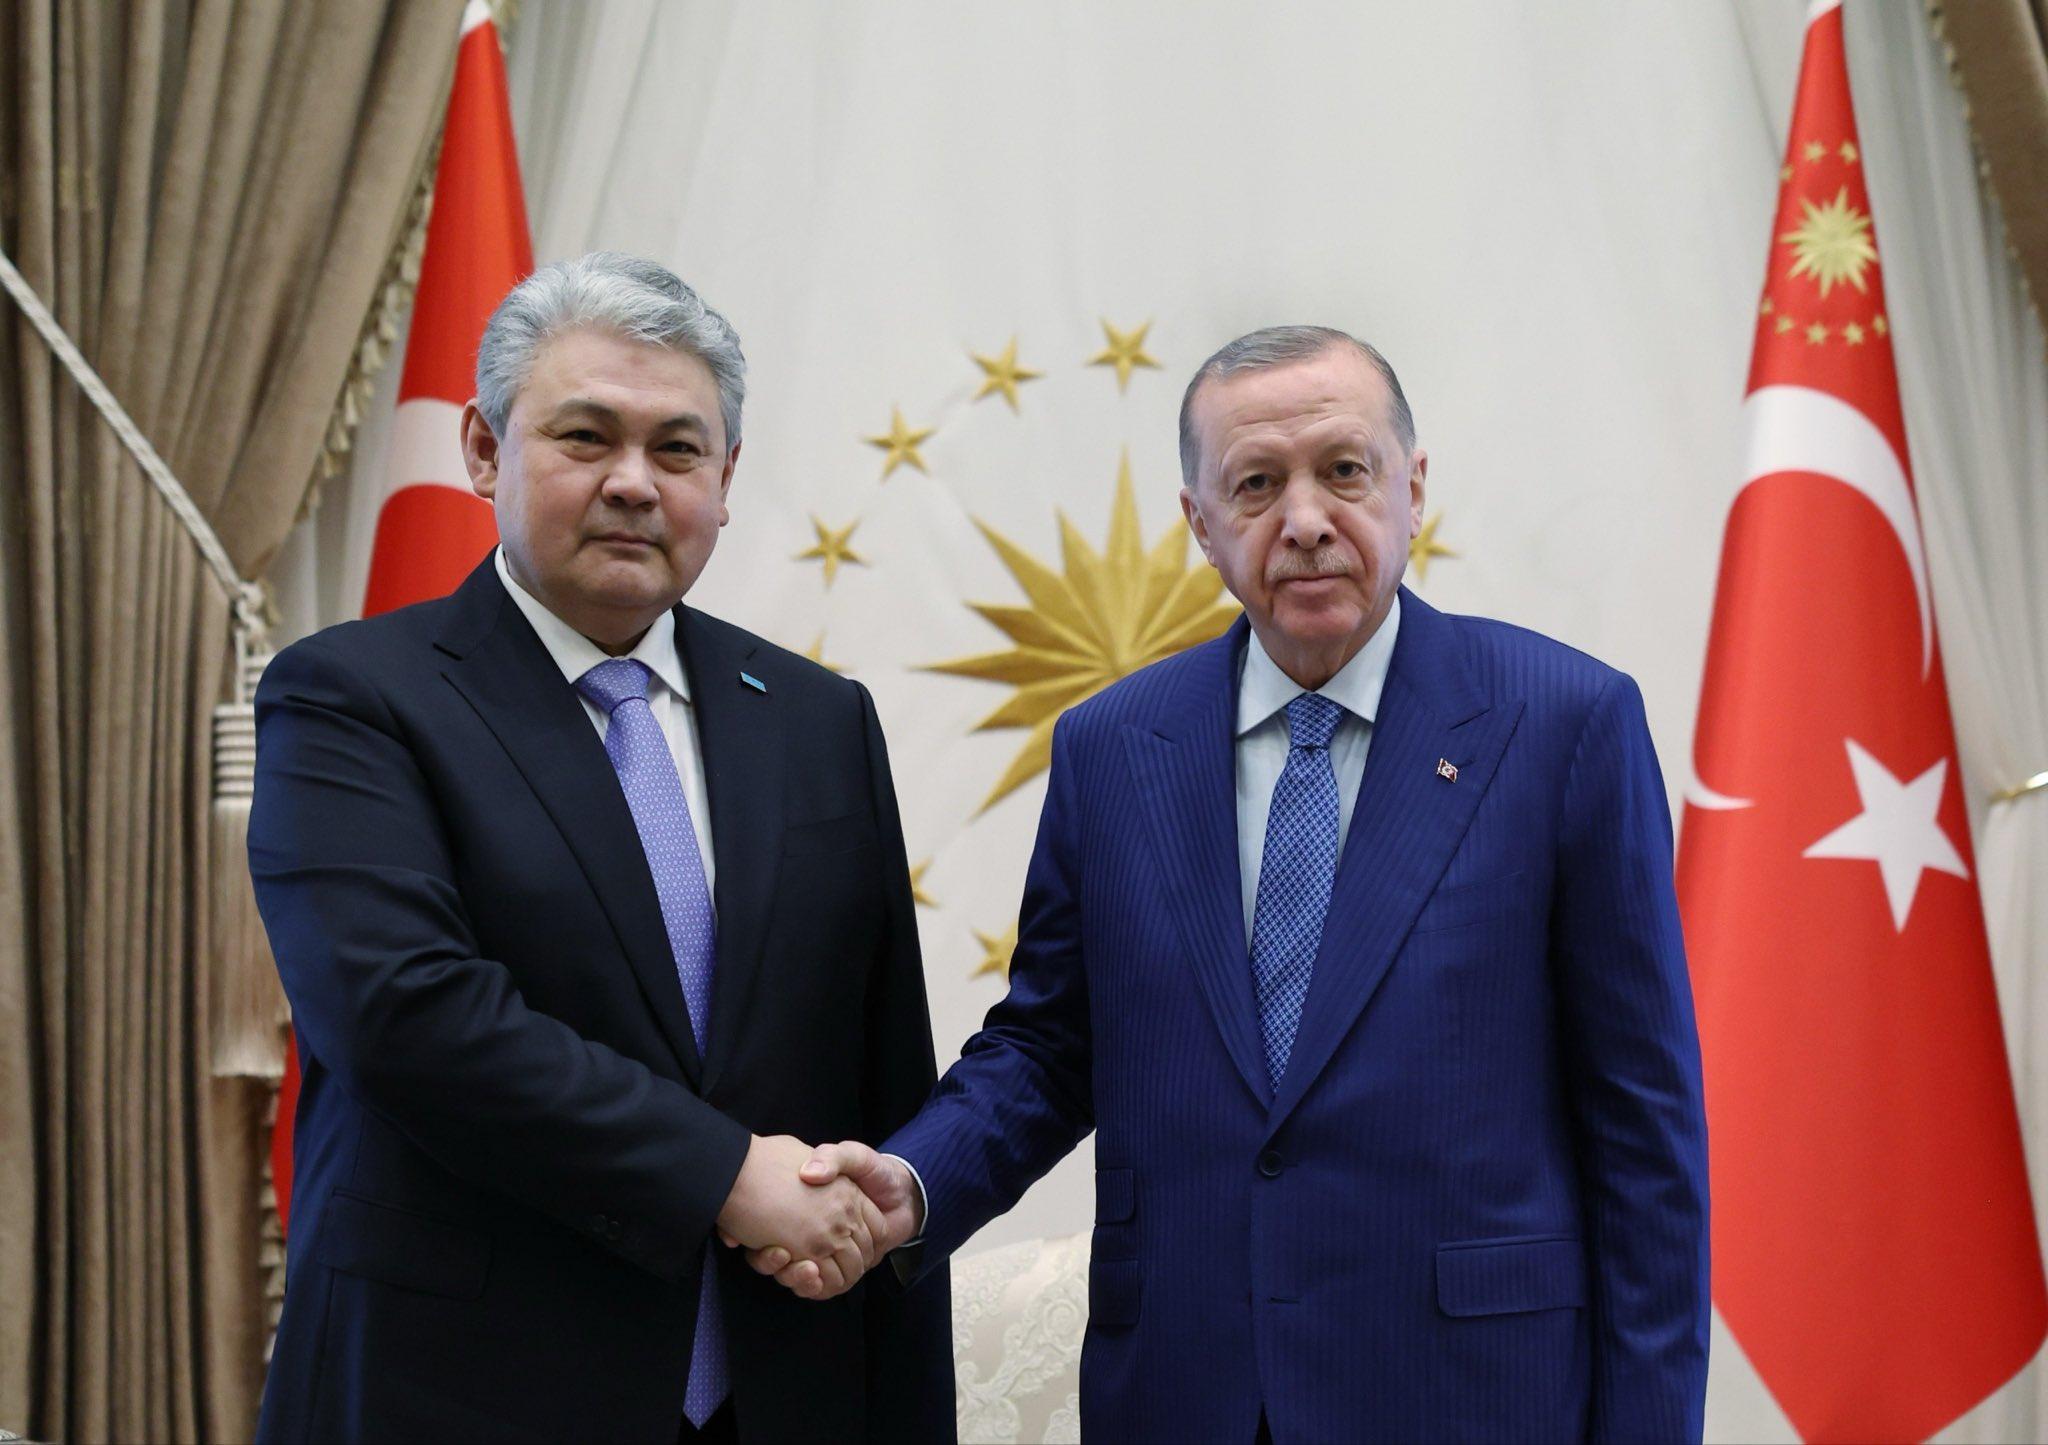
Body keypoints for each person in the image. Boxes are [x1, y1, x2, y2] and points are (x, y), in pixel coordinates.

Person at [762, 326, 1709, 1443]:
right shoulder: (1112, 747)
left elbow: (1643, 1133)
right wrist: (913, 1182)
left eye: (1343, 471)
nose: (1303, 519)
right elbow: (1050, 1047)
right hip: (1185, 1390)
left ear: (1412, 489)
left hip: (1470, 1394)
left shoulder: (1563, 724)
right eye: (1255, 484)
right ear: (1200, 523)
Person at [249, 252, 953, 1444]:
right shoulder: (351, 698)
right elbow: (407, 1014)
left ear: (724, 480)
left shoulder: (817, 718)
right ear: (484, 450)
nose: (633, 482)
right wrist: (724, 1171)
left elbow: (880, 1075)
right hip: (461, 1391)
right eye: (585, 437)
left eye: (677, 448)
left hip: (784, 1388)